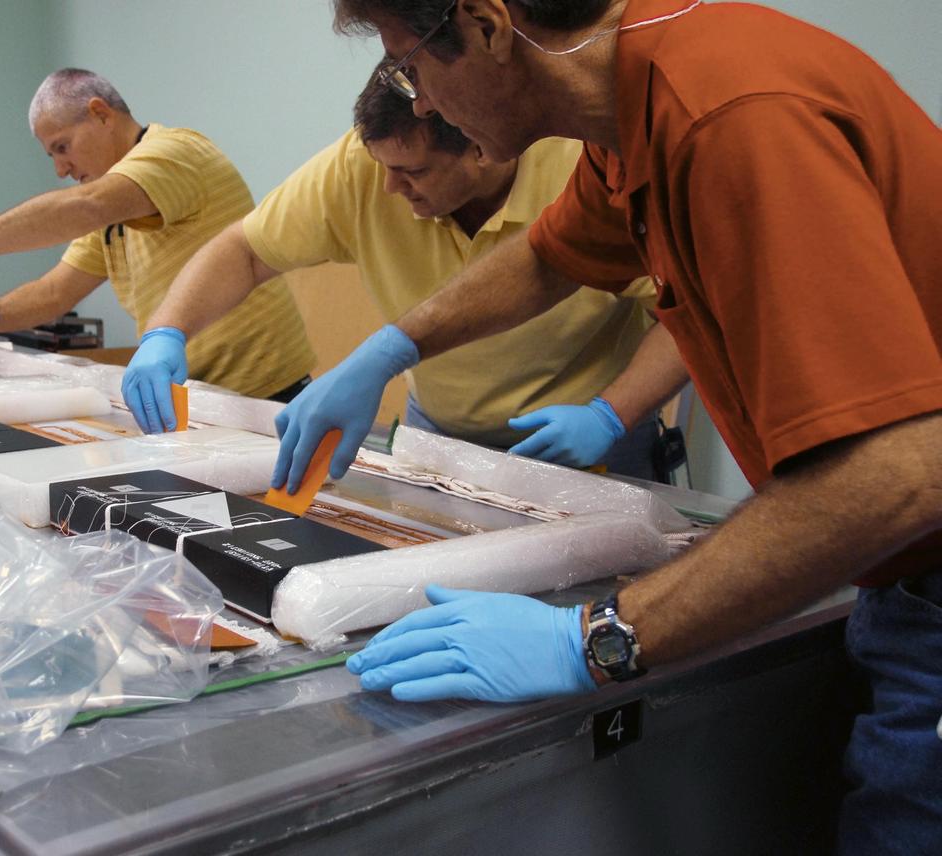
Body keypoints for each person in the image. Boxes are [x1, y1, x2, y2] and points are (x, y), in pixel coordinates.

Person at [318, 1, 942, 851]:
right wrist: (393, 348)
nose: (419, 103)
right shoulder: (632, 111)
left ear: (491, 25)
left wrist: (600, 638)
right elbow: (548, 255)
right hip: (901, 579)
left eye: (410, 67)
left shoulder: (729, 115)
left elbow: (894, 471)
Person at [126, 67, 688, 481]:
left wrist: (610, 415)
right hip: (439, 432)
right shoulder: (364, 169)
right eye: (384, 168)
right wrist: (166, 331)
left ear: (483, 150)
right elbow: (244, 251)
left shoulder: (583, 171)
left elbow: (688, 312)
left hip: (586, 441)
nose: (391, 189)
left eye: (412, 171)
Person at [0, 68, 314, 406]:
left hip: (265, 393)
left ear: (100, 114)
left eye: (62, 147)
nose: (61, 170)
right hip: (200, 395)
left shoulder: (175, 153)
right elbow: (55, 292)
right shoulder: (115, 209)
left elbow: (86, 206)